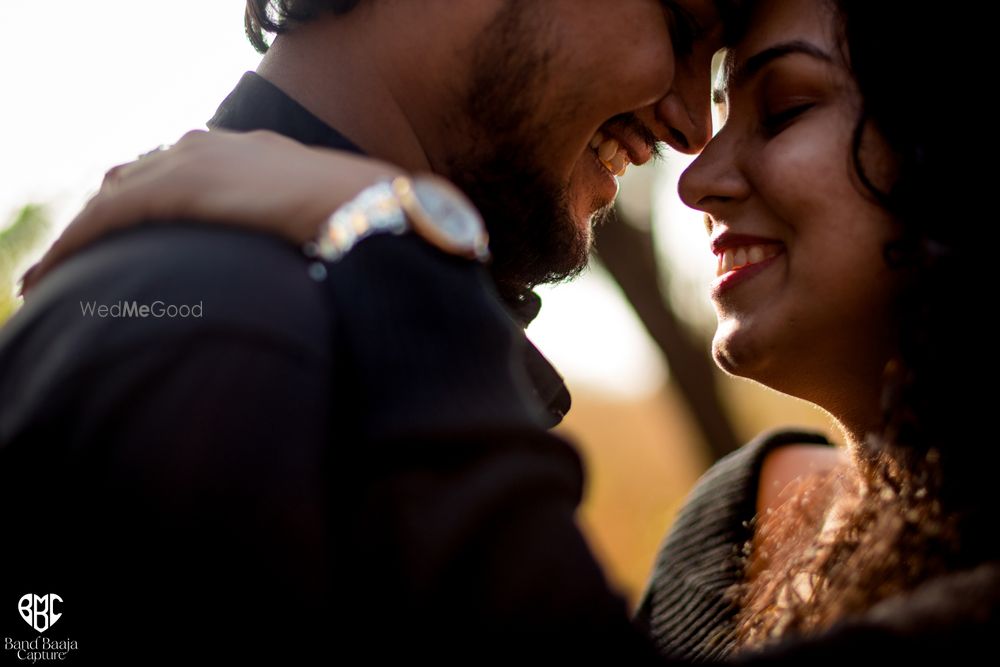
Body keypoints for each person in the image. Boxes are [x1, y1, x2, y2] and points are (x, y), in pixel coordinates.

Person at [23, 0, 998, 664]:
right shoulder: (239, 332)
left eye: (781, 106)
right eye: (672, 18)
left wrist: (391, 237)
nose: (691, 146)